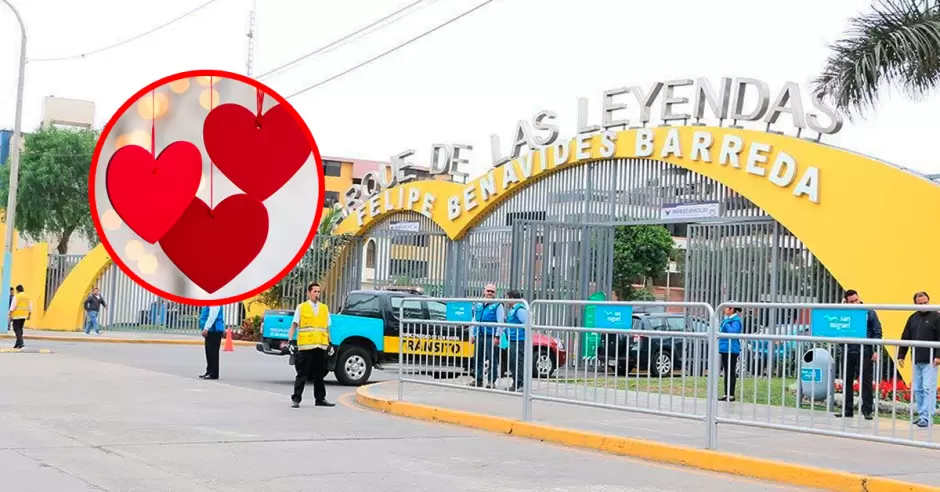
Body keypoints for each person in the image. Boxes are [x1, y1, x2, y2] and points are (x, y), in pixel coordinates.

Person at [836, 289, 882, 420]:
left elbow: (877, 331)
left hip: (865, 350)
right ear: (846, 302)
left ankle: (867, 410)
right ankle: (847, 409)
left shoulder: (868, 312)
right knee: (847, 380)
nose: (855, 303)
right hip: (848, 349)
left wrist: (876, 349)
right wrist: (842, 308)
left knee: (866, 381)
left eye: (856, 300)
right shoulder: (844, 313)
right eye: (851, 301)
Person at [288, 282, 335, 408]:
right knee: (302, 373)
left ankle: (320, 399)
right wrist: (290, 340)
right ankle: (296, 399)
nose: (317, 294)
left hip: (320, 346)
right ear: (308, 293)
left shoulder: (324, 308)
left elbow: (327, 328)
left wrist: (330, 343)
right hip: (306, 346)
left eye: (318, 292)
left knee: (319, 374)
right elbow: (294, 325)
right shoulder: (301, 307)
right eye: (315, 291)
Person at [897, 291, 940, 428]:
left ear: (929, 301)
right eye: (920, 303)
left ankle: (927, 417)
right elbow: (905, 337)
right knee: (918, 389)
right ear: (915, 304)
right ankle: (922, 414)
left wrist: (938, 356)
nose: (923, 305)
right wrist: (901, 355)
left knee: (928, 388)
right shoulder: (912, 318)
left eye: (925, 302)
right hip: (916, 359)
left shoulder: (937, 317)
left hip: (931, 359)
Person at [471, 283, 505, 388]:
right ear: (484, 291)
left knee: (492, 359)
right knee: (478, 358)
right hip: (479, 334)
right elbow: (475, 320)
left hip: (491, 336)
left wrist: (497, 337)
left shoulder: (498, 305)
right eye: (488, 291)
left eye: (492, 291)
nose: (490, 293)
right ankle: (478, 379)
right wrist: (472, 334)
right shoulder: (479, 304)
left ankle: (491, 381)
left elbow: (500, 322)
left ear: (495, 293)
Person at [503, 290, 527, 392]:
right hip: (513, 339)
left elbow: (526, 323)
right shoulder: (513, 309)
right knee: (513, 363)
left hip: (519, 340)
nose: (506, 300)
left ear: (512, 298)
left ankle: (522, 384)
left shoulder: (520, 309)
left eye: (507, 298)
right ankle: (516, 383)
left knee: (519, 362)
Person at [717, 305, 743, 401]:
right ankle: (726, 393)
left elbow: (733, 333)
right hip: (724, 348)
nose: (724, 309)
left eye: (726, 308)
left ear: (731, 309)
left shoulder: (735, 321)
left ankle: (731, 394)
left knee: (731, 372)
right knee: (726, 372)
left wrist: (727, 323)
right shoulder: (727, 319)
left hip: (731, 349)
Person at [199, 304, 225, 380]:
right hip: (211, 330)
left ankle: (213, 373)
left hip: (214, 330)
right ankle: (209, 371)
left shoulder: (215, 303)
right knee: (209, 352)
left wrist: (206, 328)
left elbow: (212, 316)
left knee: (213, 352)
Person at [9, 285, 32, 349]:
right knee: (20, 329)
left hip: (17, 315)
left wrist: (10, 314)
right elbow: (30, 307)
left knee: (16, 329)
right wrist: (29, 315)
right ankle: (17, 344)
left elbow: (13, 306)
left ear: (17, 290)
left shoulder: (16, 297)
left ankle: (21, 343)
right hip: (24, 315)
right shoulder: (28, 297)